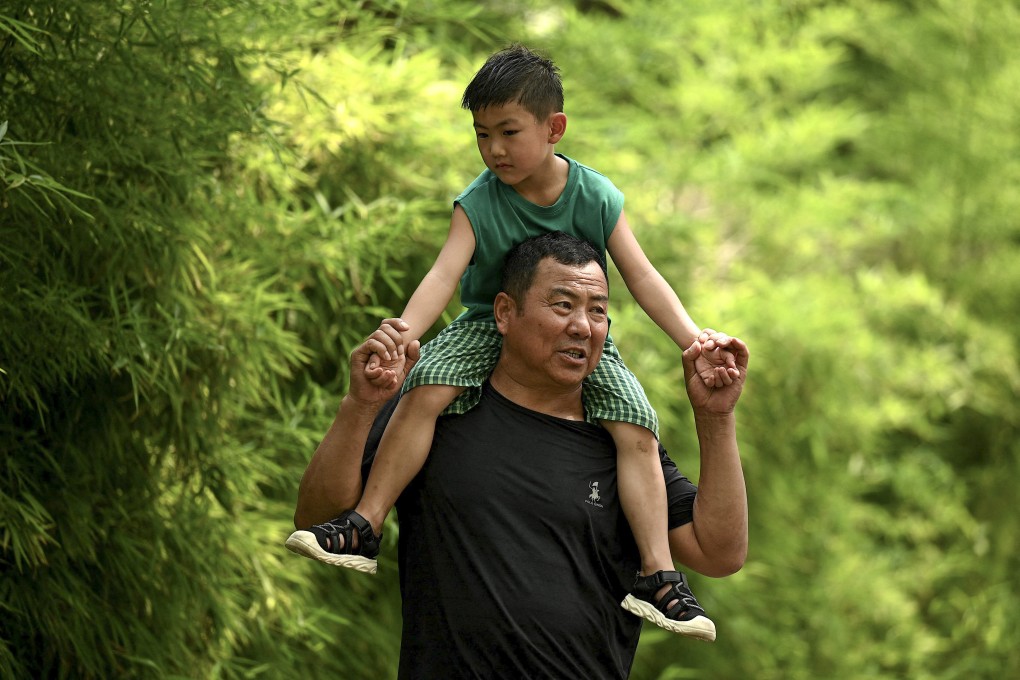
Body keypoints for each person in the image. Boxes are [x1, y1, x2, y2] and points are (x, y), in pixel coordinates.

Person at [286, 44, 738, 638]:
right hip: (480, 328)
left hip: (583, 352)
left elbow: (642, 276)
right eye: (481, 135)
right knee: (424, 391)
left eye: (508, 132)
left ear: (554, 129)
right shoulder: (478, 202)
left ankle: (658, 575)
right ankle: (366, 524)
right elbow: (445, 274)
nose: (495, 149)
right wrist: (404, 333)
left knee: (637, 428)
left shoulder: (596, 195)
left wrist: (693, 340)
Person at [291, 234, 749, 679]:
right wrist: (362, 407)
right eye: (563, 305)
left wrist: (715, 418)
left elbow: (719, 552)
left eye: (598, 312)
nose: (582, 327)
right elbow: (318, 516)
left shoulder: (626, 447)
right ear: (505, 312)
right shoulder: (433, 415)